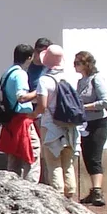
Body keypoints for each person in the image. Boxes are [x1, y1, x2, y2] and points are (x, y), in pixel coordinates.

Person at [37, 44, 80, 198]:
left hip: (51, 126)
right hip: (70, 127)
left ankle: (58, 195)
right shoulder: (71, 78)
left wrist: (32, 115)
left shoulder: (44, 80)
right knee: (68, 164)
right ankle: (71, 195)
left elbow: (42, 106)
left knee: (53, 163)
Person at [74, 50, 107, 205]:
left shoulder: (97, 80)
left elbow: (105, 101)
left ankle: (97, 191)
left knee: (95, 156)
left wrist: (86, 107)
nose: (75, 66)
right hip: (85, 124)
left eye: (78, 63)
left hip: (98, 123)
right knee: (87, 156)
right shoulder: (80, 82)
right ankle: (93, 190)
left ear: (86, 64)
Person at [0, 42, 41, 180]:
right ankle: (31, 190)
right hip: (22, 120)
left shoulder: (8, 73)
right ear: (29, 58)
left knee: (14, 157)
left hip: (10, 120)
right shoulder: (21, 74)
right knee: (32, 154)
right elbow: (21, 97)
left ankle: (11, 187)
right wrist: (38, 92)